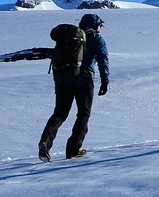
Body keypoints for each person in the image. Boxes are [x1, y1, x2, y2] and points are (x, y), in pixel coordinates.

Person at [38, 13, 110, 161]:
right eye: (100, 25)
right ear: (96, 24)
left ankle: (45, 143)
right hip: (84, 79)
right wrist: (105, 80)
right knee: (83, 113)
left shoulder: (69, 38)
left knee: (60, 113)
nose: (101, 27)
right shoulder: (96, 38)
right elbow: (103, 58)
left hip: (63, 78)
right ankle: (73, 150)